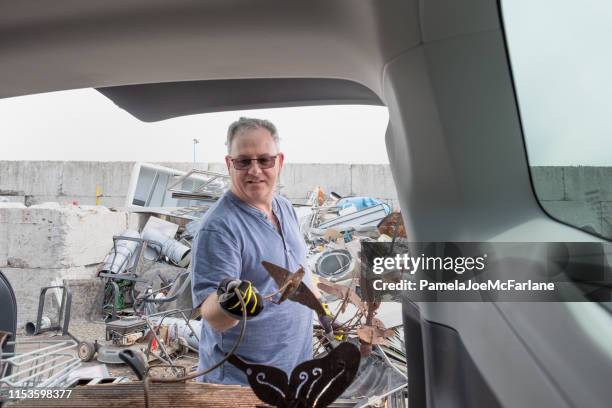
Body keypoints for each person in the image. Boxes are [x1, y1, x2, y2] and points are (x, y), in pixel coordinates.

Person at [191, 117, 315, 385]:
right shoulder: (220, 227)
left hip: (292, 374)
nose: (255, 170)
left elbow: (300, 270)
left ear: (279, 162)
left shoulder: (285, 209)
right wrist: (229, 303)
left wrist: (325, 316)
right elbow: (212, 316)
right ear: (229, 164)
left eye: (264, 160)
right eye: (243, 161)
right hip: (243, 385)